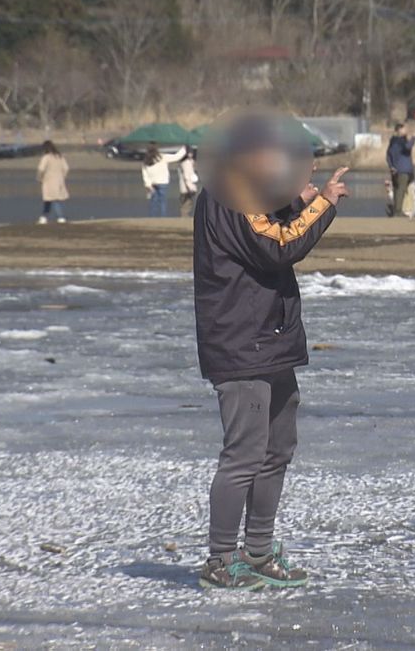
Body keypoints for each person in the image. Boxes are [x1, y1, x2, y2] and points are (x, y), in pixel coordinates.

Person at [193, 116, 350, 590]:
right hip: (242, 345)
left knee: (277, 450)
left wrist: (298, 202)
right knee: (244, 454)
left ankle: (258, 551)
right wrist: (322, 204)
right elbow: (278, 245)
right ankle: (220, 559)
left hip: (270, 340)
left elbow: (268, 225)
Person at [142, 142, 186, 217]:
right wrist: (184, 148)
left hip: (152, 183)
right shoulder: (162, 157)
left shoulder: (146, 160)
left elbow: (145, 174)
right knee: (162, 202)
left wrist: (148, 184)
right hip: (163, 182)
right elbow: (176, 157)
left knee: (153, 202)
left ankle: (152, 218)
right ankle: (163, 218)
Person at [385, 123, 415, 217]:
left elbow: (388, 155)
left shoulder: (392, 142)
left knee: (396, 190)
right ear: (399, 130)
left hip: (395, 169)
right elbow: (407, 147)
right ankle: (398, 212)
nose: (406, 131)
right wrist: (413, 138)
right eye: (404, 129)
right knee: (401, 191)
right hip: (403, 169)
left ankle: (396, 210)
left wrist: (391, 166)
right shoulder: (401, 141)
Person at [36, 140, 69, 224]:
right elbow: (66, 168)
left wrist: (39, 178)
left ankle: (60, 217)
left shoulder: (46, 157)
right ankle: (44, 217)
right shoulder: (59, 156)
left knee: (52, 199)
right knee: (51, 199)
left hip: (48, 181)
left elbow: (41, 169)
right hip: (59, 181)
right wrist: (63, 176)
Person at [178, 146, 200, 218]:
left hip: (185, 187)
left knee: (186, 203)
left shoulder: (186, 162)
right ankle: (184, 217)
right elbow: (186, 177)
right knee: (186, 204)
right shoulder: (186, 163)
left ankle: (184, 216)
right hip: (187, 187)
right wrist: (190, 187)